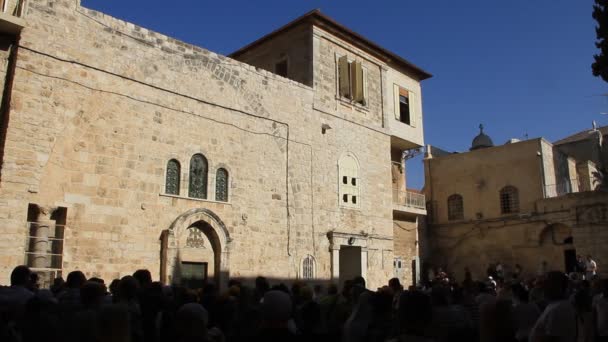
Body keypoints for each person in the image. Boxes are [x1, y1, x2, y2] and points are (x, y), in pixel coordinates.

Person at [529, 271, 577, 342]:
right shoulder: (555, 305)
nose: (543, 288)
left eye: (546, 284)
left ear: (555, 287)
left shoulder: (558, 309)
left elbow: (552, 338)